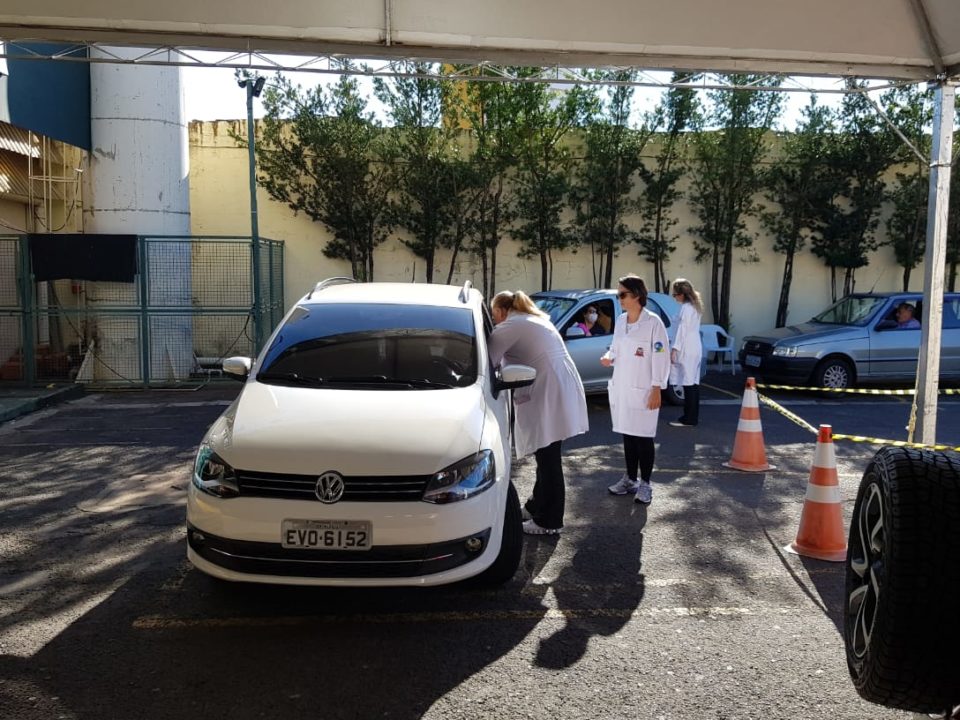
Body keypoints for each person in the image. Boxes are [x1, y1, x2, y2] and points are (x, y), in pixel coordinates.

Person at [490, 290, 589, 535]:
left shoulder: (510, 326)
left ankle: (549, 520)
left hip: (550, 391)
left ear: (502, 311)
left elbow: (488, 360)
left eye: (494, 316)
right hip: (558, 387)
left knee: (548, 458)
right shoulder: (532, 318)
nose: (495, 321)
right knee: (546, 452)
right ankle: (536, 506)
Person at [602, 274, 671, 504]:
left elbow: (661, 357)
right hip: (623, 386)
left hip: (644, 389)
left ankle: (646, 484)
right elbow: (616, 347)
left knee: (644, 437)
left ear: (637, 296)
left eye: (623, 294)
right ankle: (630, 479)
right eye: (618, 294)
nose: (619, 298)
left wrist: (657, 387)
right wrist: (609, 356)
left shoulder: (653, 323)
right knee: (628, 435)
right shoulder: (621, 320)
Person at [668, 278, 704, 428]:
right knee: (693, 383)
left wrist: (675, 348)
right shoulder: (695, 307)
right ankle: (691, 416)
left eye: (675, 294)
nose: (675, 297)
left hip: (686, 348)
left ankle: (689, 418)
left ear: (682, 294)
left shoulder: (686, 308)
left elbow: (682, 330)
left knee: (688, 384)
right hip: (695, 346)